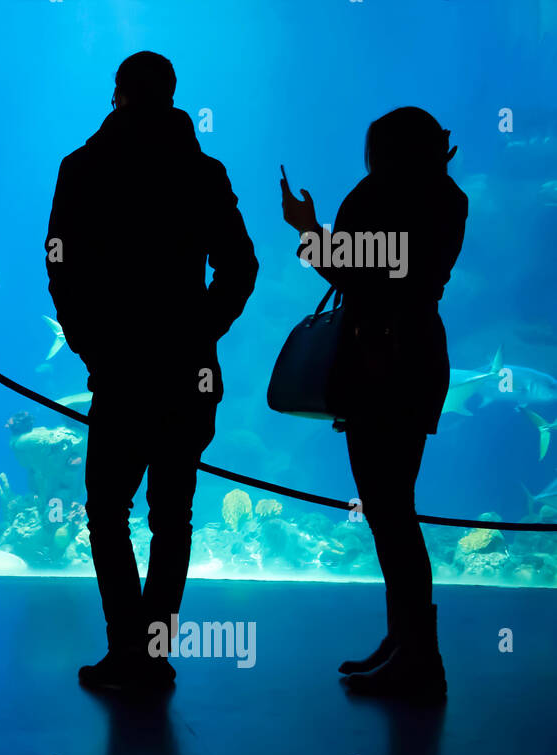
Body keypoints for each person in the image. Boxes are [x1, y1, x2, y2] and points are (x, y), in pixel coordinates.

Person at [45, 51, 258, 689]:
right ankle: (154, 651)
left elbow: (59, 261)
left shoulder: (83, 169)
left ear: (117, 95)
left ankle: (126, 650)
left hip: (120, 368)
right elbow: (241, 266)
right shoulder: (203, 172)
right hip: (187, 371)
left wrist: (89, 344)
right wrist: (200, 330)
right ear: (171, 95)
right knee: (173, 515)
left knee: (106, 509)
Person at [281, 106, 467, 700]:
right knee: (394, 509)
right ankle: (405, 641)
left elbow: (351, 273)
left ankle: (419, 657)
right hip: (417, 357)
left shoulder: (380, 196)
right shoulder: (448, 198)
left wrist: (305, 228)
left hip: (379, 363)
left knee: (389, 512)